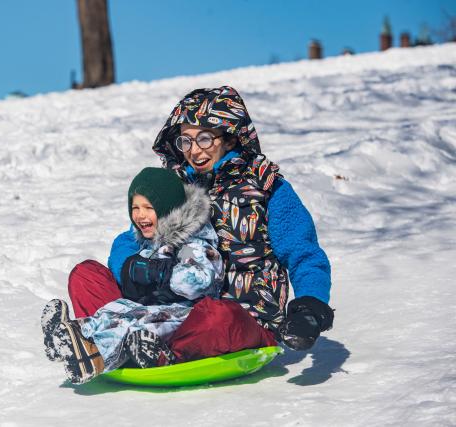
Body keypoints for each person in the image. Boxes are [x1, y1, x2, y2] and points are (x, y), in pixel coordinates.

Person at [71, 86, 334, 363]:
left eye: (205, 139)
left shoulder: (266, 188)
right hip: (164, 312)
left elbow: (304, 253)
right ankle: (120, 342)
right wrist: (134, 268)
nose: (194, 151)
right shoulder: (173, 186)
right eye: (186, 141)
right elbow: (131, 237)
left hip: (241, 320)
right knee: (85, 276)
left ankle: (136, 349)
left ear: (230, 138)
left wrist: (310, 307)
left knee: (219, 317)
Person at [41, 167, 227, 384]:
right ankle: (72, 335)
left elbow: (196, 281)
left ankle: (94, 355)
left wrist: (159, 272)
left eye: (148, 207)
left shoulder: (192, 242)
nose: (140, 215)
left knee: (131, 322)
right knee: (115, 312)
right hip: (154, 309)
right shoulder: (150, 240)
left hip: (184, 315)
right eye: (135, 207)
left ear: (169, 209)